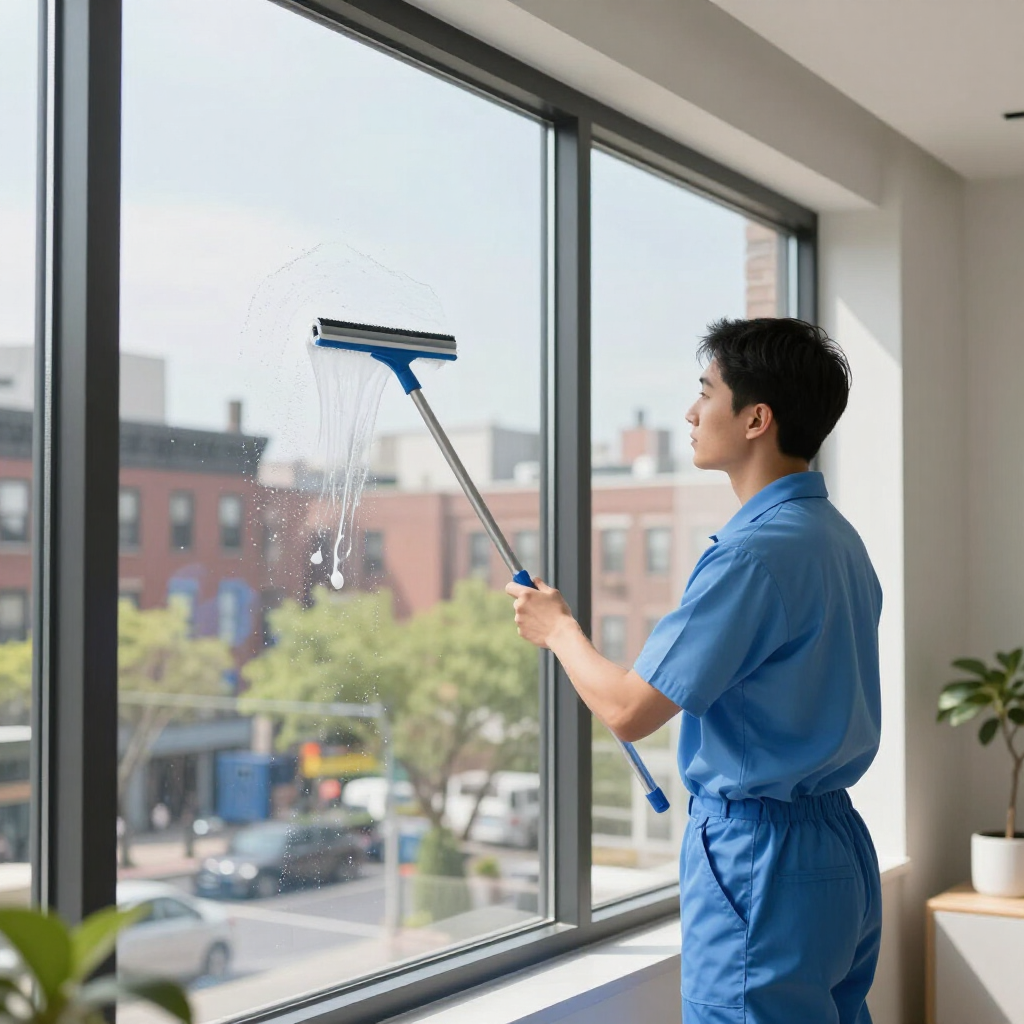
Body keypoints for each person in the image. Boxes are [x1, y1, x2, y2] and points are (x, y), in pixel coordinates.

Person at [507, 317, 882, 1024]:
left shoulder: (752, 556)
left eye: (706, 391)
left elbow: (629, 709)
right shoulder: (838, 540)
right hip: (838, 852)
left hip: (759, 861)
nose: (690, 411)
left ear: (755, 419)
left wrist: (559, 630)